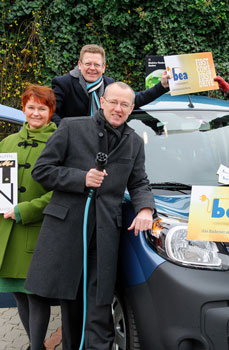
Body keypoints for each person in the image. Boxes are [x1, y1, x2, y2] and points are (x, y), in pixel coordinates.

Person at [25, 82, 155, 350]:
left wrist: (145, 208)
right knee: (70, 305)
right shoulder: (72, 127)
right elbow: (42, 171)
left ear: (131, 109)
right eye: (114, 102)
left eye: (125, 105)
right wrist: (81, 178)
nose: (118, 109)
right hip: (68, 231)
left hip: (106, 234)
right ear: (103, 101)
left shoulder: (133, 142)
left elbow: (139, 182)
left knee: (99, 302)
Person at [0, 85, 57, 350]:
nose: (35, 113)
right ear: (23, 108)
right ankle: (38, 345)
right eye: (30, 107)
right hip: (7, 234)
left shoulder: (60, 142)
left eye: (41, 108)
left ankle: (36, 348)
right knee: (18, 296)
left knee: (36, 296)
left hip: (38, 230)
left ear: (50, 111)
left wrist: (26, 210)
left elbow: (62, 191)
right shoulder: (8, 142)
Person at [51, 43, 170, 125]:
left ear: (103, 68)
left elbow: (135, 101)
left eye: (97, 65)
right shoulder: (64, 83)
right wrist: (68, 132)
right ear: (80, 65)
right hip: (75, 146)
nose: (92, 68)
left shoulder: (110, 84)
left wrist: (162, 86)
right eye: (88, 64)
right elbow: (51, 113)